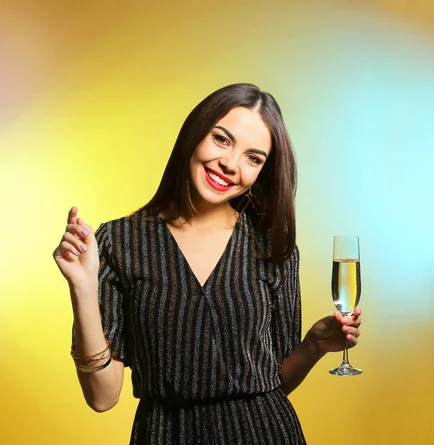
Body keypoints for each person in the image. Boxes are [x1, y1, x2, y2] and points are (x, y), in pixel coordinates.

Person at [53, 83, 362, 444]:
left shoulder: (273, 246)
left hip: (266, 433)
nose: (230, 164)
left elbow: (277, 382)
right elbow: (103, 397)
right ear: (195, 134)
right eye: (222, 139)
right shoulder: (119, 242)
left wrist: (311, 346)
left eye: (253, 158)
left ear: (262, 173)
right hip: (166, 434)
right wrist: (83, 287)